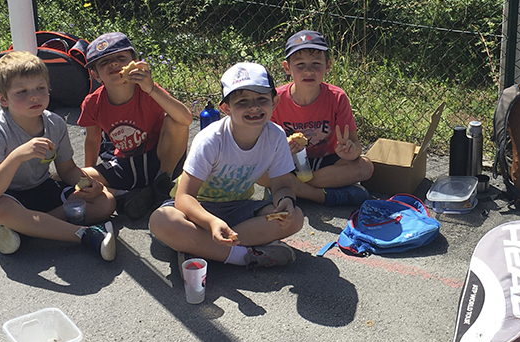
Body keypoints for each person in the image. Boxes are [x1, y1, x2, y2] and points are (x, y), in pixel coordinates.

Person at [148, 62, 302, 269]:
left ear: (274, 102)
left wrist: (286, 201)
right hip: (198, 209)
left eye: (261, 99)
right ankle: (242, 256)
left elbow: (282, 186)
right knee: (162, 221)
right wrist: (211, 222)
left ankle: (198, 248)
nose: (254, 107)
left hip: (238, 207)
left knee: (295, 218)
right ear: (226, 108)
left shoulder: (276, 136)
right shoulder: (211, 139)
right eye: (242, 101)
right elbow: (184, 198)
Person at [0, 51, 116, 260]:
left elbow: (67, 169)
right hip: (9, 195)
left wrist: (89, 185)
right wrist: (17, 156)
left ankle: (25, 230)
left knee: (105, 201)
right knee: (1, 210)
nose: (34, 96)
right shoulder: (1, 129)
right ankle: (85, 235)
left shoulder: (55, 123)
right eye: (22, 91)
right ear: (3, 99)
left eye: (40, 88)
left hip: (43, 187)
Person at [78, 32, 193, 220]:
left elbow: (186, 119)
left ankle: (161, 186)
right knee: (69, 176)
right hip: (124, 166)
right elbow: (92, 140)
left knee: (174, 120)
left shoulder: (147, 90)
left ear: (135, 63)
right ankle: (124, 196)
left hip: (160, 162)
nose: (114, 64)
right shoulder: (93, 103)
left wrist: (151, 88)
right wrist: (89, 181)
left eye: (120, 58)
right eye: (104, 62)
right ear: (95, 74)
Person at [270, 30, 373, 206]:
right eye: (300, 64)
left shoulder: (337, 97)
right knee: (262, 170)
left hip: (326, 162)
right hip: (289, 163)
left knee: (365, 167)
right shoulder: (275, 100)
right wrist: (282, 150)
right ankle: (321, 195)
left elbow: (355, 145)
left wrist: (350, 151)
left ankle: (294, 189)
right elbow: (266, 149)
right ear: (287, 67)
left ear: (328, 66)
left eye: (316, 64)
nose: (308, 71)